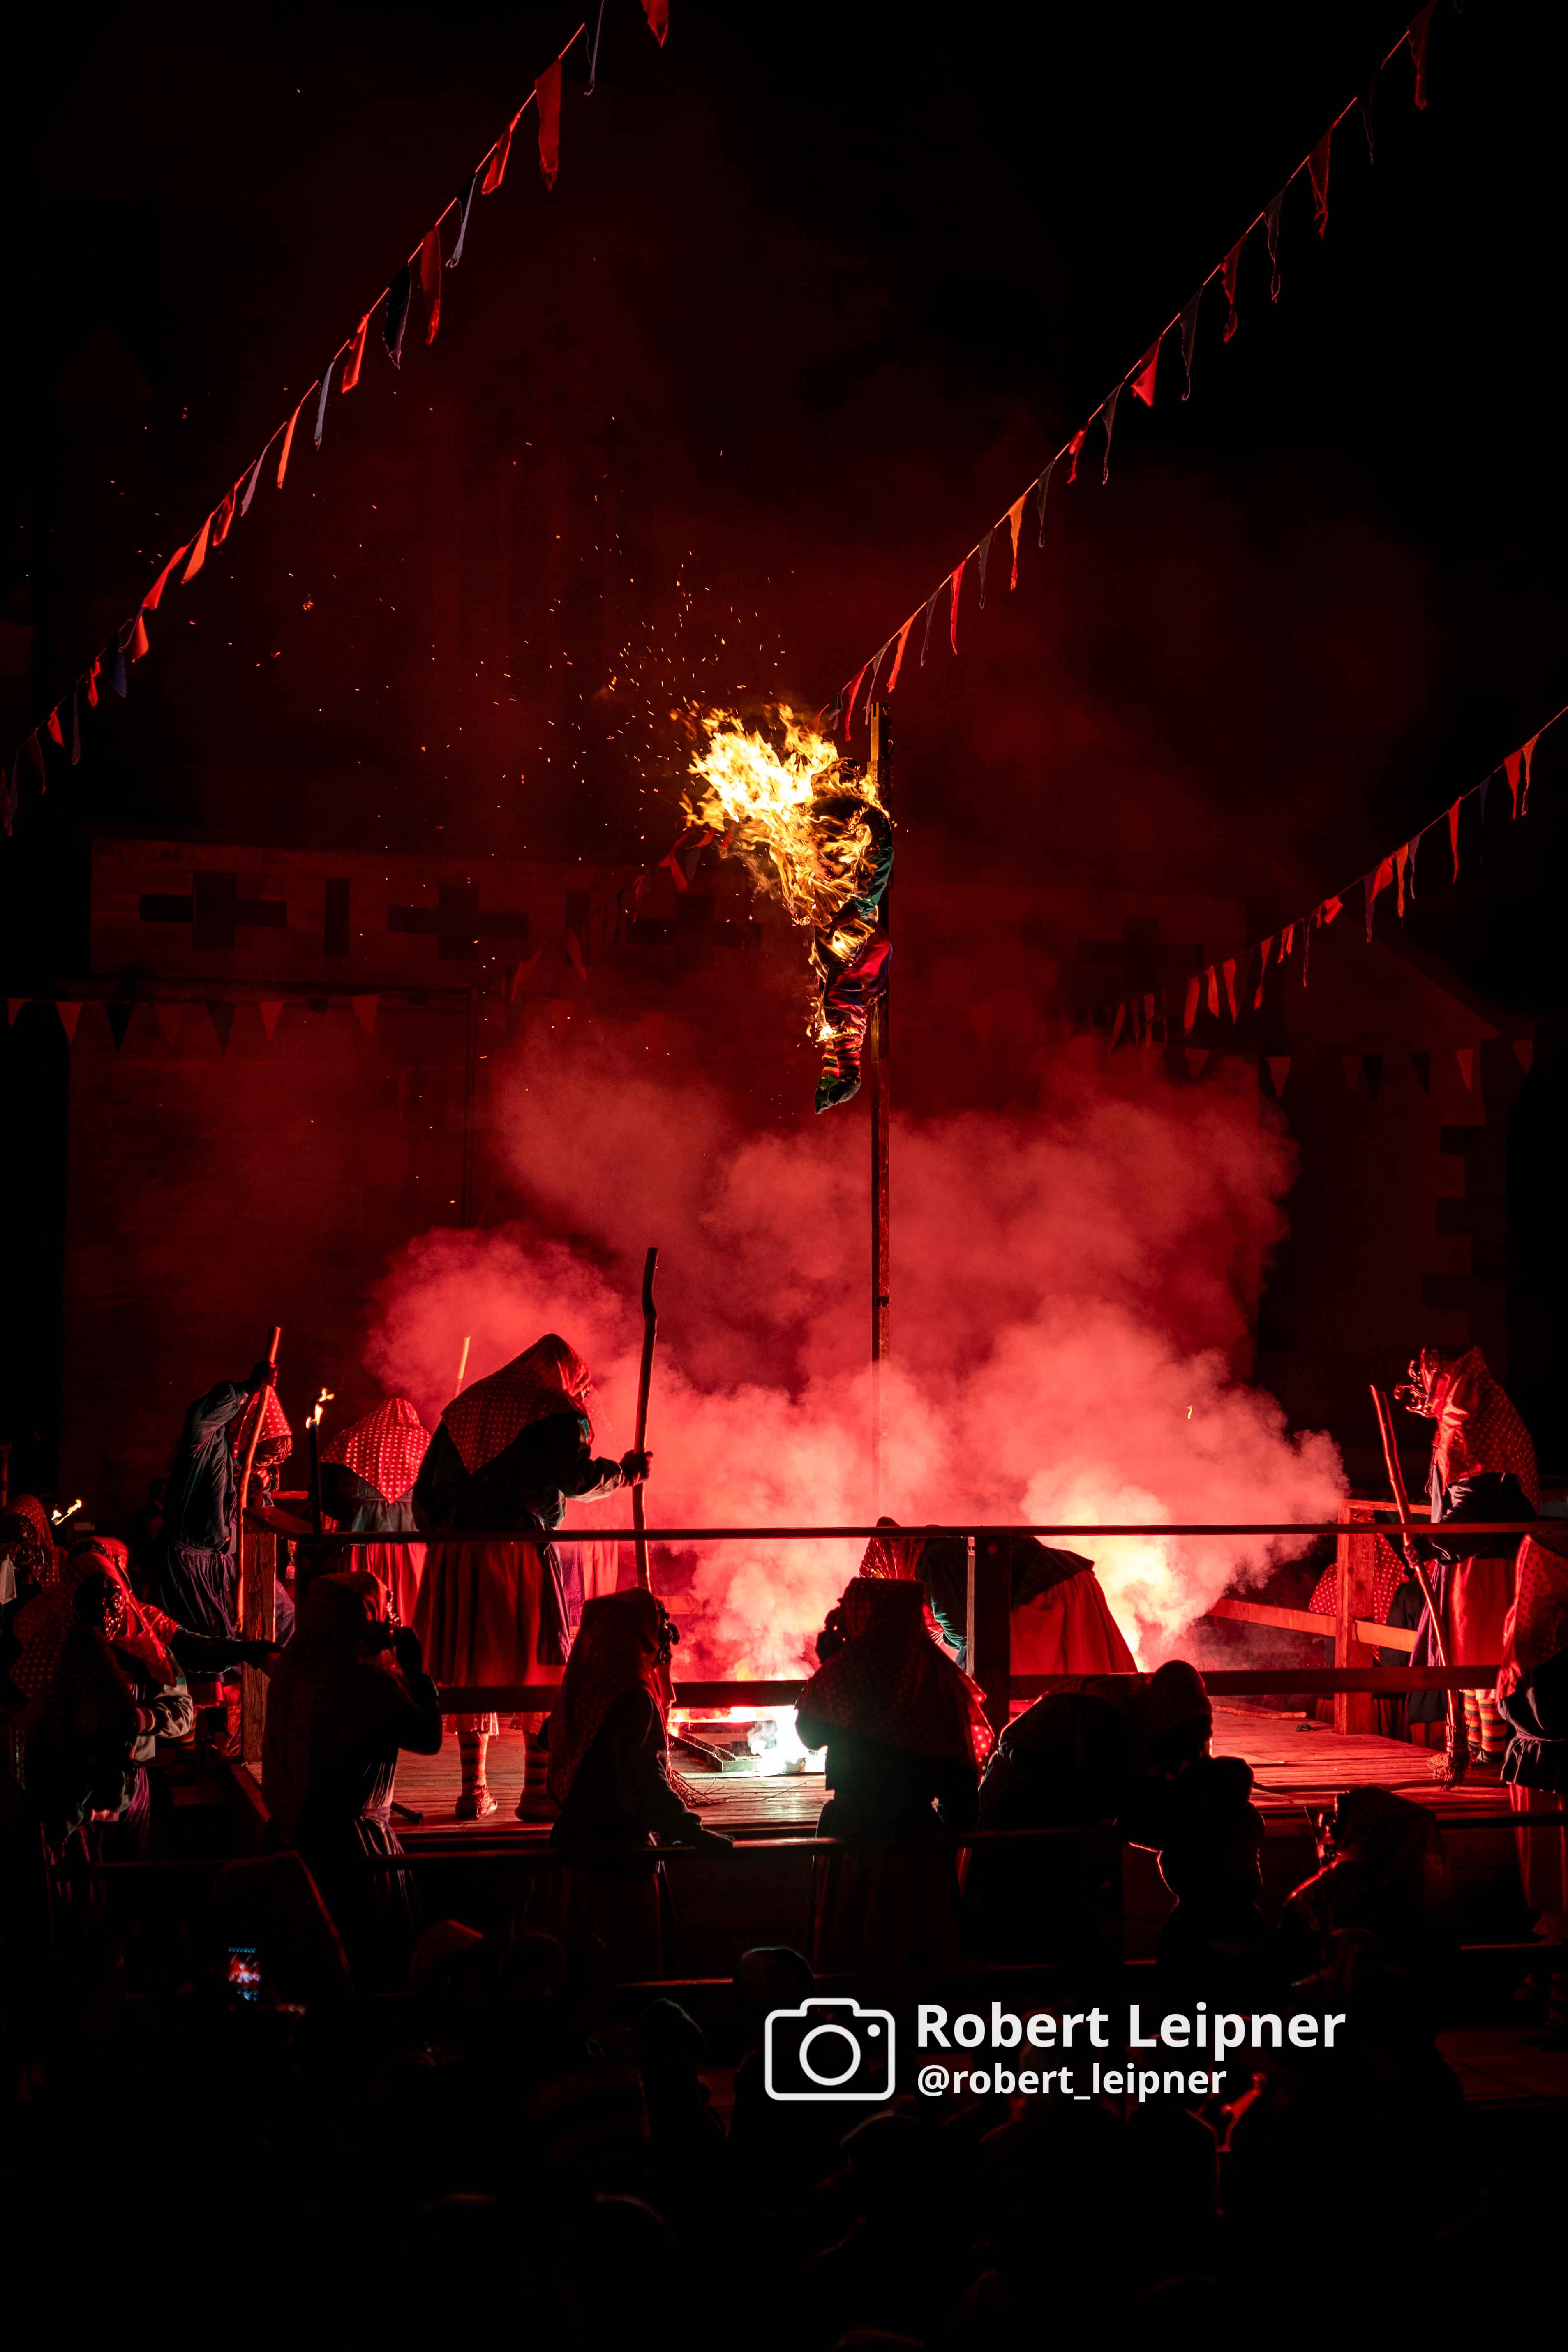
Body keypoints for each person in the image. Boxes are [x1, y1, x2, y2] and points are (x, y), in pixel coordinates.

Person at [413, 1335, 649, 1820]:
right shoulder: (553, 1408)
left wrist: (446, 1541)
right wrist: (624, 1474)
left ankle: (472, 1791)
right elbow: (577, 1479)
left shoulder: (469, 1404)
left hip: (456, 1553)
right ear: (566, 1374)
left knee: (470, 1666)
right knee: (539, 1666)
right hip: (515, 1551)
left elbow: (425, 1492)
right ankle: (536, 1792)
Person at [794, 1574, 991, 1970]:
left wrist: (829, 1662)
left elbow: (809, 1735)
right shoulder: (938, 1679)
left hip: (854, 1830)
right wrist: (945, 1849)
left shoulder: (847, 1671)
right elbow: (961, 1788)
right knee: (918, 1951)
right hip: (917, 1835)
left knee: (851, 1940)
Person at [964, 1660, 1215, 1963]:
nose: (1180, 1763)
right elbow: (1128, 1811)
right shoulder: (1104, 1718)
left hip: (1055, 1801)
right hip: (1020, 1805)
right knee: (1021, 1920)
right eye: (1182, 1750)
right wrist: (1193, 1839)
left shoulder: (1155, 1713)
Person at [262, 1569, 443, 1974]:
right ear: (363, 1618)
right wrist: (416, 1673)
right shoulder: (365, 1683)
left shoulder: (293, 1667)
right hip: (352, 1847)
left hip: (291, 1832)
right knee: (366, 1959)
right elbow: (428, 1737)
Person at [543, 1587, 730, 1975]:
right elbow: (646, 1786)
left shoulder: (578, 1692)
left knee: (578, 1970)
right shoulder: (632, 1700)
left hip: (572, 1846)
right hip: (621, 1859)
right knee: (628, 1967)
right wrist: (692, 1832)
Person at [1396, 1345, 1539, 1761]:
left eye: (1427, 1379)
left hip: (1479, 1565)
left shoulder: (1467, 1428)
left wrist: (1429, 1545)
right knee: (1473, 1661)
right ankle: (1478, 1749)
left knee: (1480, 1659)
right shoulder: (1486, 1416)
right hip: (1486, 1559)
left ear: (1446, 1381)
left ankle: (1488, 1752)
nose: (1421, 1389)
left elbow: (1471, 1511)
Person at [859, 1516, 1136, 1675]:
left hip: (1047, 1594)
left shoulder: (931, 1565)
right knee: (1085, 1666)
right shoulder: (935, 1552)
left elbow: (966, 1636)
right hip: (1066, 1583)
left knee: (982, 1682)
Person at [1496, 1526, 1568, 2033]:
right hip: (1535, 1761)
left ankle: (1558, 1999)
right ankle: (1542, 1980)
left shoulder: (1552, 1636)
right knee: (1548, 1889)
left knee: (1563, 1887)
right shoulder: (1528, 1630)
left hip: (1556, 1760)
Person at [319, 1395, 431, 1623]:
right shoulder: (425, 1441)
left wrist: (352, 1513)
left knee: (363, 1602)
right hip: (410, 1540)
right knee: (409, 1600)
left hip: (363, 1536)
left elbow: (326, 1494)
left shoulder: (354, 1437)